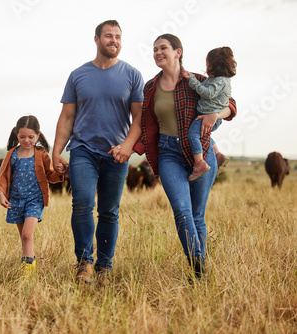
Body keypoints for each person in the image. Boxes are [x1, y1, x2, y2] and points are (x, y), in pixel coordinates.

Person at [133, 34, 237, 280]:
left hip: (200, 151)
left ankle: (199, 276)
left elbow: (231, 104)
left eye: (163, 48)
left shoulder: (198, 81)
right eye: (155, 48)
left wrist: (215, 115)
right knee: (182, 211)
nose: (158, 52)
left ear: (177, 52)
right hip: (168, 152)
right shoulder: (150, 87)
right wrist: (130, 147)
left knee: (197, 214)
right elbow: (142, 123)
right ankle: (198, 266)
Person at [52, 20, 144, 286]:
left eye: (117, 37)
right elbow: (67, 116)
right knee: (82, 203)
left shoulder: (132, 74)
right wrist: (57, 153)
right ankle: (83, 263)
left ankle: (104, 267)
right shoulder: (78, 75)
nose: (113, 40)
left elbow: (139, 118)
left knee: (109, 212)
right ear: (96, 39)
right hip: (83, 150)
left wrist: (127, 146)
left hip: (117, 153)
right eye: (108, 36)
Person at [0, 115, 63, 278]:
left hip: (35, 200)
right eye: (22, 137)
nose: (26, 140)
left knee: (27, 235)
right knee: (24, 238)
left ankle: (28, 274)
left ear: (38, 135)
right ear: (16, 135)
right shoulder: (11, 154)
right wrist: (1, 194)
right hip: (16, 200)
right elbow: (2, 177)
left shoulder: (41, 154)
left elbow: (51, 176)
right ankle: (28, 268)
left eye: (31, 137)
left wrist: (60, 172)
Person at [183, 46, 237, 181]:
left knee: (193, 135)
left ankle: (199, 163)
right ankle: (218, 154)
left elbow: (207, 93)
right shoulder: (217, 80)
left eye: (207, 64)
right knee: (203, 135)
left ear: (214, 65)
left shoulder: (219, 81)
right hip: (208, 115)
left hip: (208, 116)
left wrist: (192, 80)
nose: (206, 67)